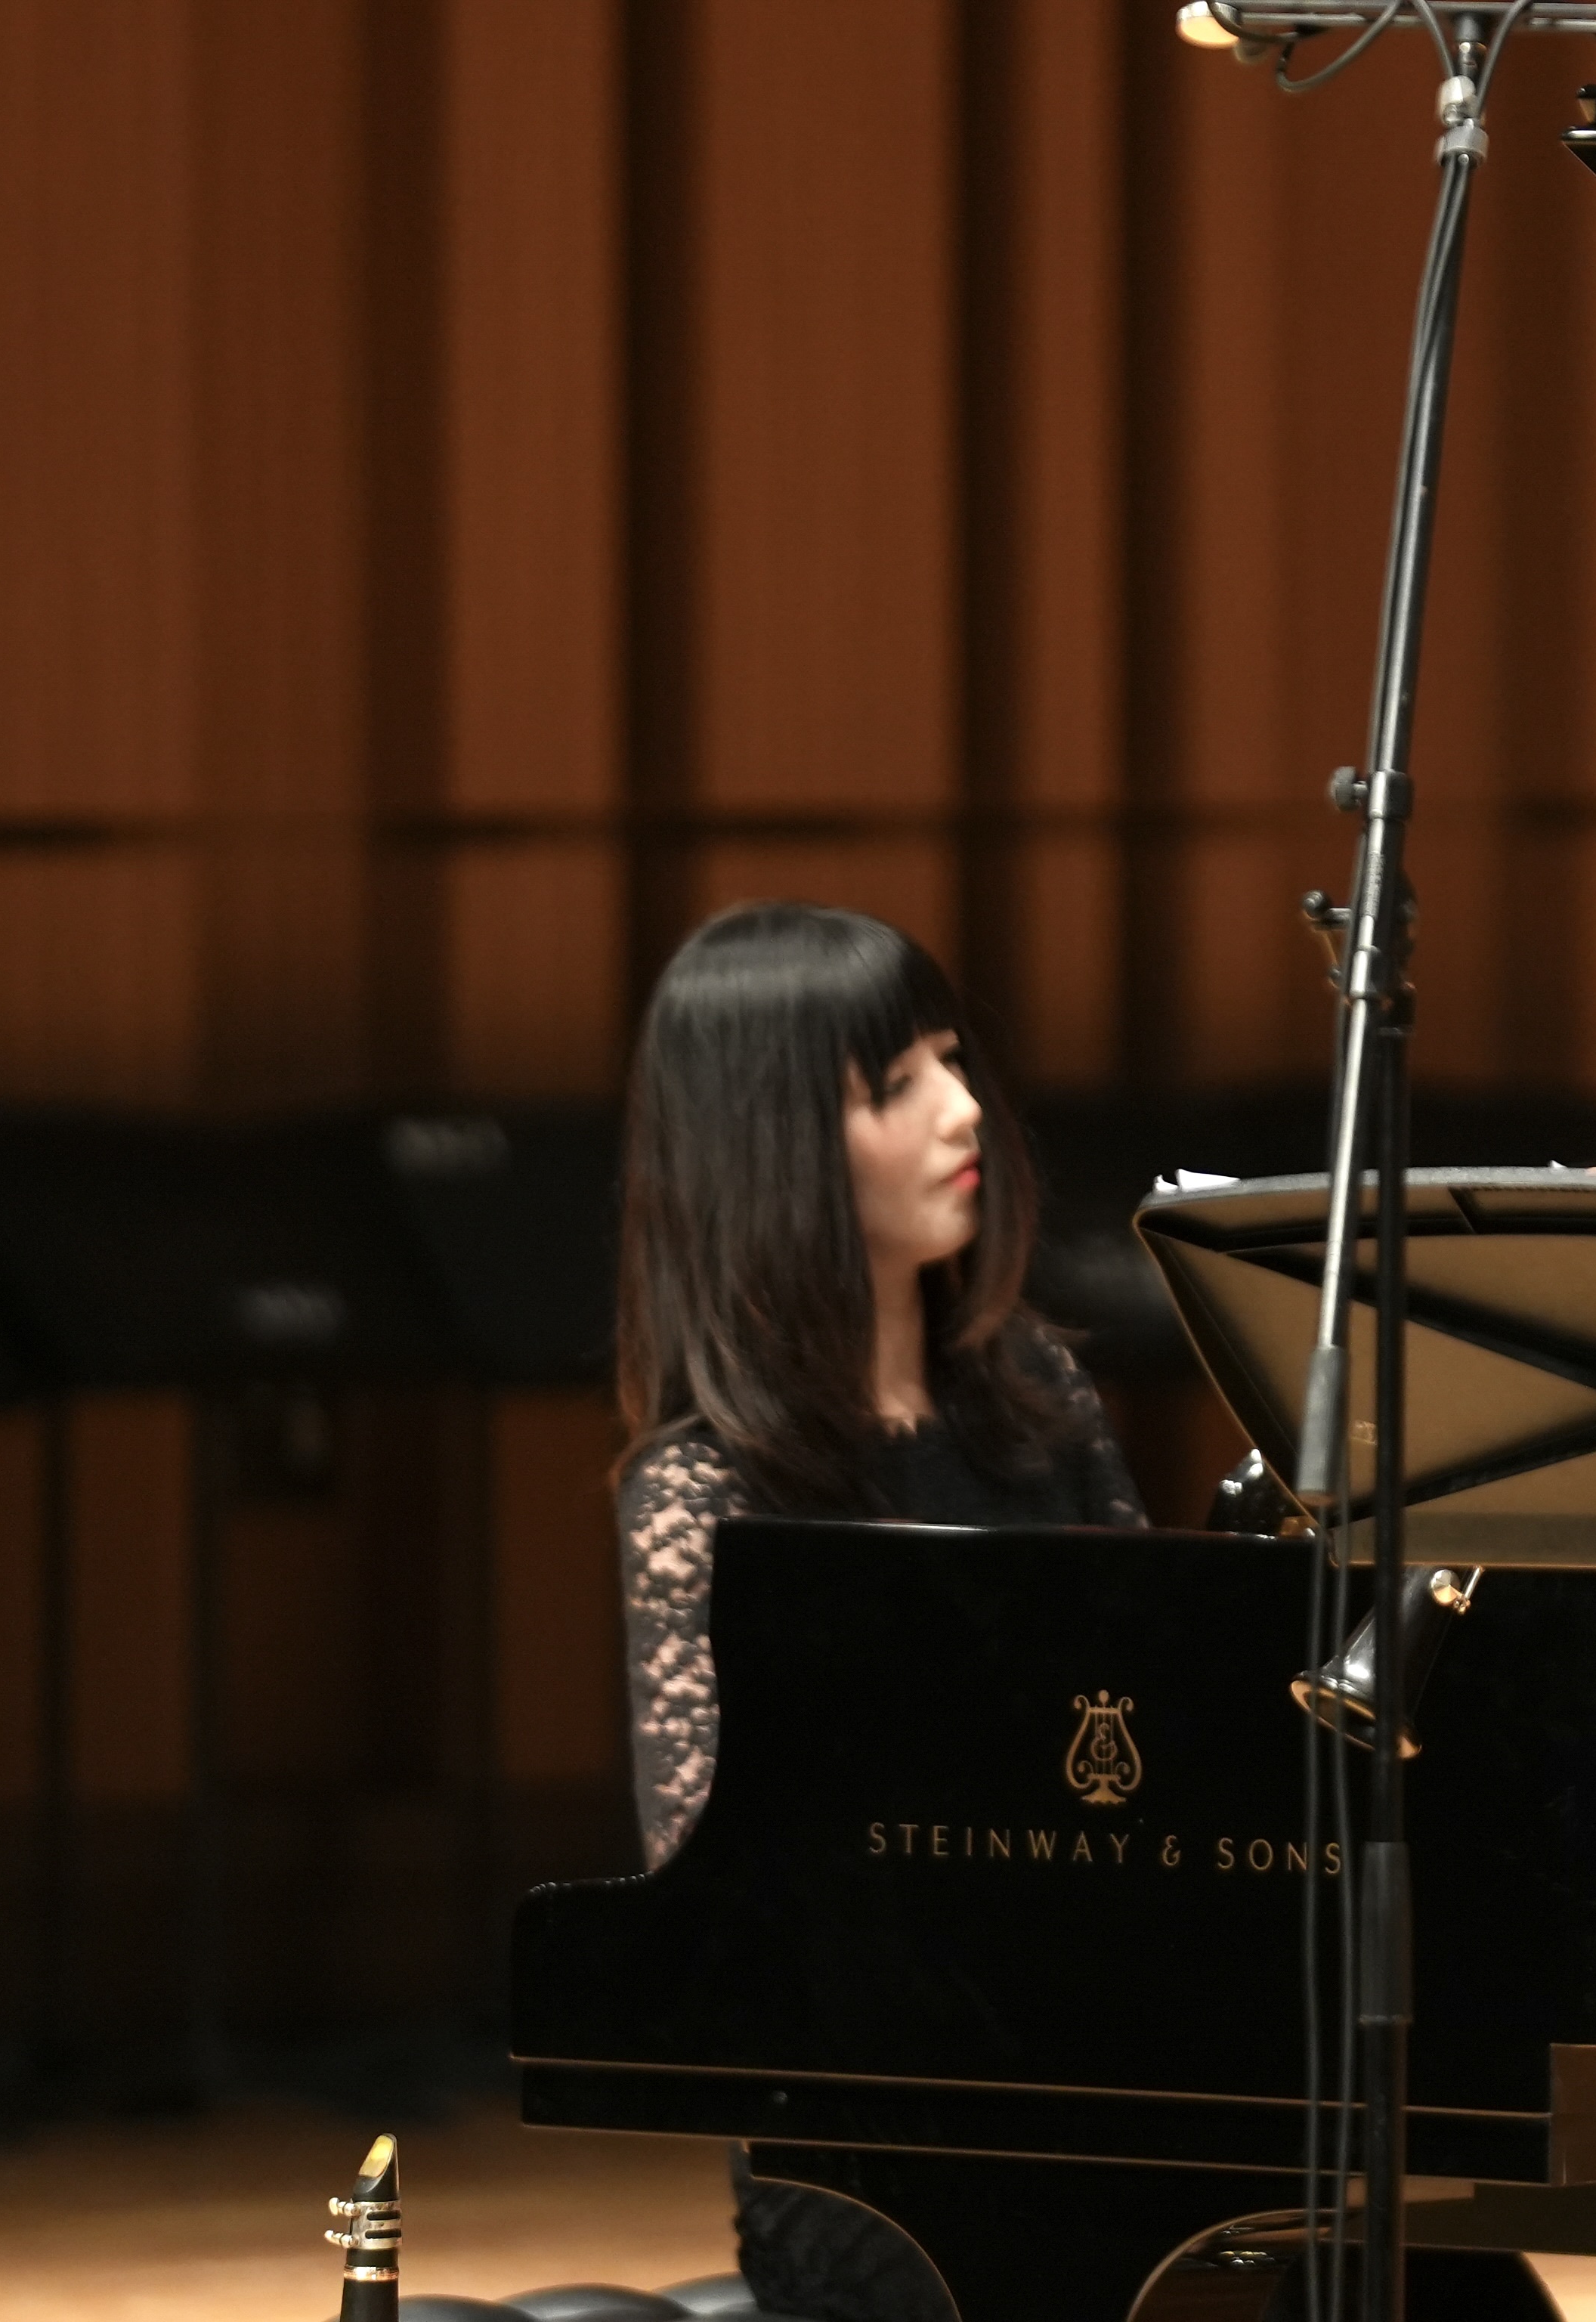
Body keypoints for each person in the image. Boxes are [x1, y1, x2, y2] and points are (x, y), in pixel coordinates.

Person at [614, 901, 1146, 2322]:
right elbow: (724, 1904)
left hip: (1102, 2079)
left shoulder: (1040, 1401)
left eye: (952, 1061)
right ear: (772, 1144)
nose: (963, 1110)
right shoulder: (705, 1494)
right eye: (895, 1086)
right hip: (865, 2151)